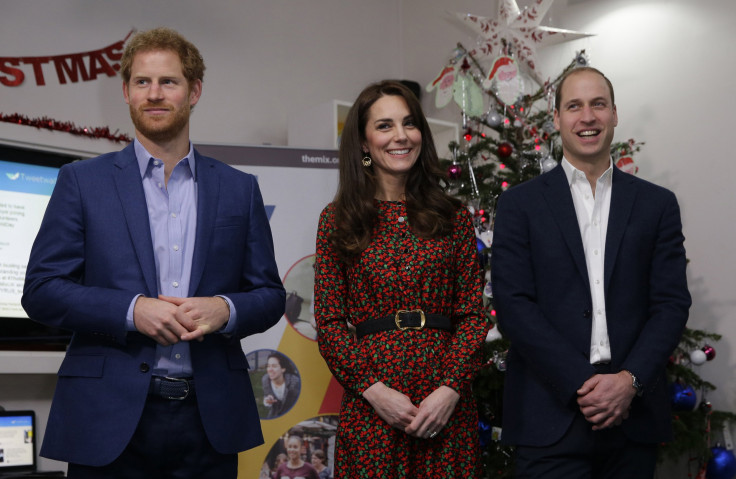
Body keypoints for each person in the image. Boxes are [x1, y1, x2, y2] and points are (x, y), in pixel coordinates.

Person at [22, 27, 285, 478]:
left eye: (169, 81)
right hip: (107, 418)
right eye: (142, 82)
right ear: (126, 92)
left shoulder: (239, 189)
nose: (155, 93)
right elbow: (42, 290)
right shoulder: (82, 182)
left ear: (194, 91)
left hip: (211, 419)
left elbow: (269, 294)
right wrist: (131, 310)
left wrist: (224, 309)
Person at [490, 67, 691, 478]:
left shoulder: (657, 205)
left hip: (632, 421)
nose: (587, 117)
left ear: (614, 114)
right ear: (558, 119)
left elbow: (670, 304)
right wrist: (585, 383)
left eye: (598, 104)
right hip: (548, 419)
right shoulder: (519, 206)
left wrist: (628, 382)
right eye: (574, 106)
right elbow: (513, 306)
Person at [314, 80, 489, 477]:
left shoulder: (454, 217)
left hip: (445, 404)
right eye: (385, 125)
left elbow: (473, 317)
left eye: (409, 124)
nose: (400, 136)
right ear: (362, 141)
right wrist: (375, 393)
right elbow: (328, 323)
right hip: (374, 403)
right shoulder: (337, 219)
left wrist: (450, 389)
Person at [261, 352, 301, 418]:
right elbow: (267, 397)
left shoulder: (295, 382)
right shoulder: (265, 380)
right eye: (268, 366)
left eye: (274, 366)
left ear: (283, 369)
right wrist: (267, 401)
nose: (270, 370)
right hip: (275, 417)